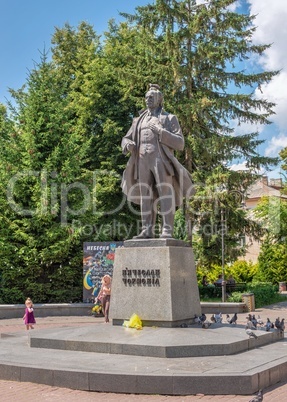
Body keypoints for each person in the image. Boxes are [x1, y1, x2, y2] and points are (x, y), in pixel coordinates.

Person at [121, 83, 194, 239]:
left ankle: (167, 230)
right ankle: (147, 230)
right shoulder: (138, 120)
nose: (148, 99)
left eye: (151, 97)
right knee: (145, 195)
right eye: (146, 97)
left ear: (159, 99)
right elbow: (126, 138)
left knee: (164, 193)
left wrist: (161, 132)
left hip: (161, 160)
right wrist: (127, 145)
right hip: (142, 161)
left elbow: (180, 144)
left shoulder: (169, 118)